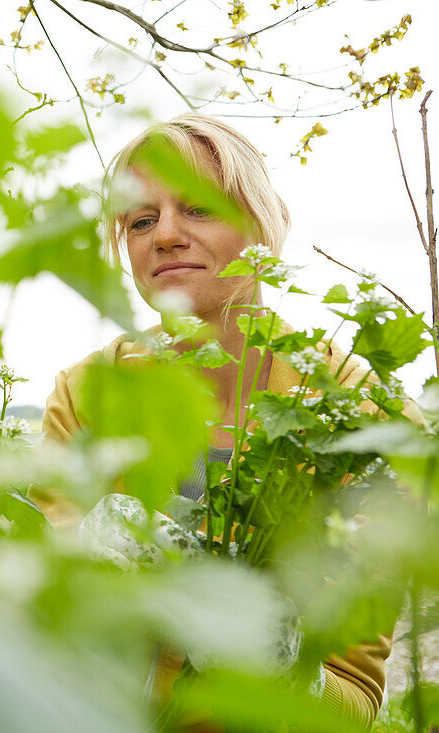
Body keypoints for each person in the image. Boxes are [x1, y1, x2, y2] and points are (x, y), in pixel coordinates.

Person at [37, 112, 399, 729]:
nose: (166, 236)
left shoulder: (348, 404)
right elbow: (47, 637)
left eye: (198, 209)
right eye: (141, 221)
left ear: (260, 224)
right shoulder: (89, 394)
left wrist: (290, 670)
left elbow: (354, 698)